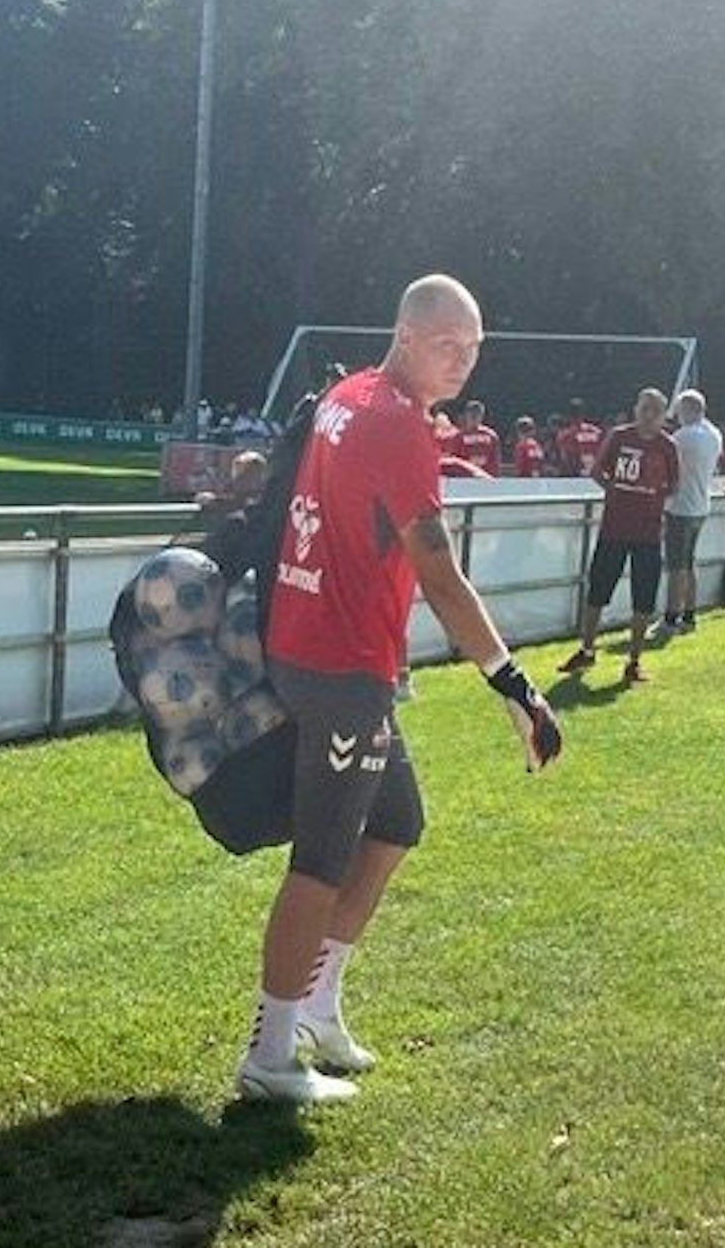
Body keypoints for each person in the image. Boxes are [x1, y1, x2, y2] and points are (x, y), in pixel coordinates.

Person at [241, 274, 562, 1104]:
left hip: (327, 653)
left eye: (474, 346)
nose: (463, 360)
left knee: (396, 826)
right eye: (448, 343)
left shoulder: (349, 392)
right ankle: (269, 1056)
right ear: (406, 334)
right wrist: (514, 685)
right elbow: (439, 571)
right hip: (339, 667)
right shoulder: (395, 426)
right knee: (320, 862)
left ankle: (316, 1003)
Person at [559, 388, 680, 682]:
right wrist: (615, 490)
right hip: (614, 528)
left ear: (663, 416)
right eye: (644, 408)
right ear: (636, 409)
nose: (649, 415)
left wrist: (653, 495)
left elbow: (675, 484)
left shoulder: (667, 446)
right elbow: (598, 472)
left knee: (644, 597)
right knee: (598, 590)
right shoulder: (620, 436)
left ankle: (634, 660)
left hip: (648, 532)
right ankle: (587, 649)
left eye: (655, 410)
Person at [655, 389, 724, 638]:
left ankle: (671, 618)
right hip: (701, 505)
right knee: (689, 562)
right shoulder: (714, 434)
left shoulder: (682, 437)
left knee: (676, 566)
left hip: (681, 506)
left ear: (687, 410)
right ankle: (689, 613)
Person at [555, 399, 604, 477]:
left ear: (568, 415)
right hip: (595, 474)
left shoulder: (565, 435)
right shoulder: (596, 431)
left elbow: (565, 460)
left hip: (577, 477)